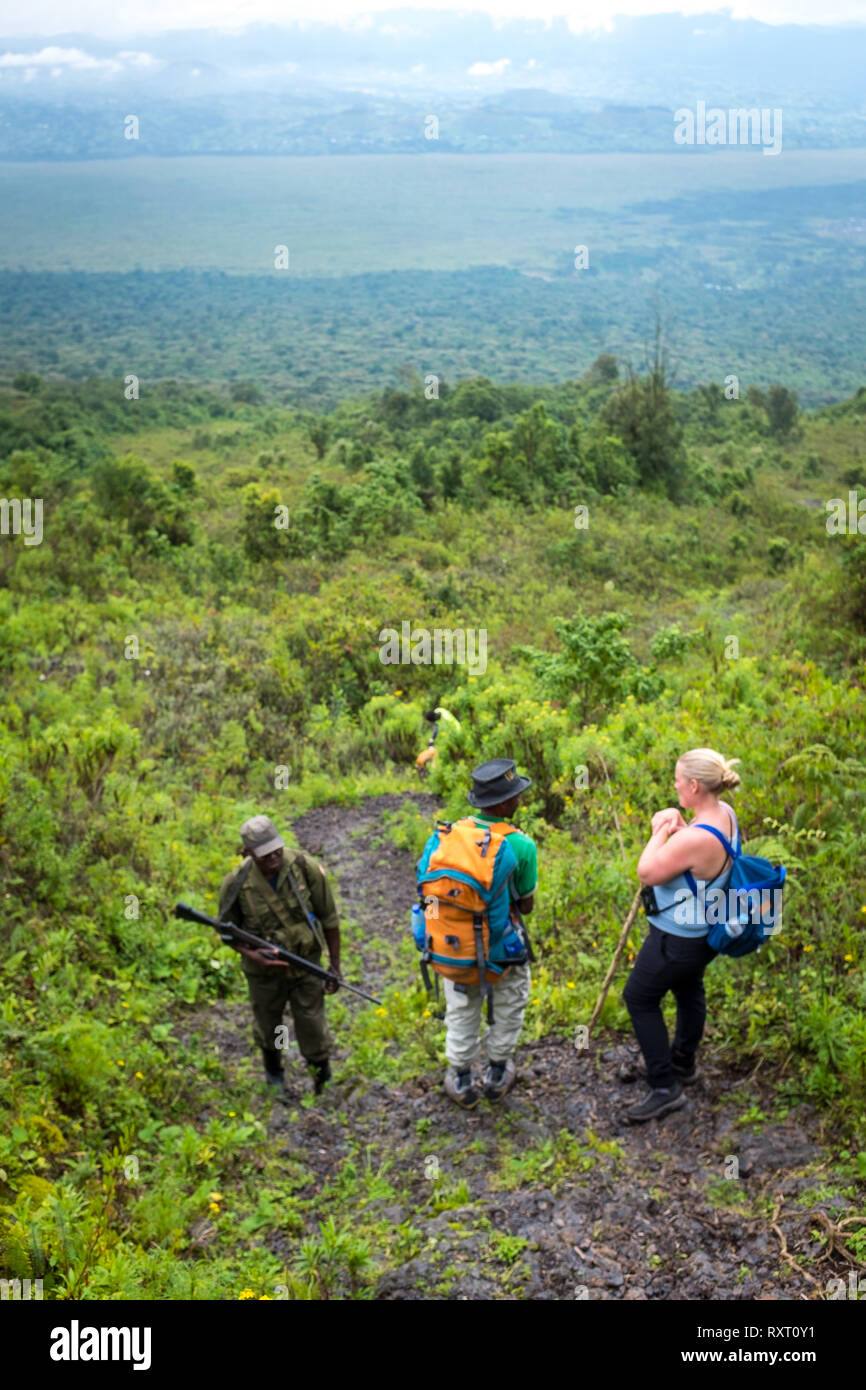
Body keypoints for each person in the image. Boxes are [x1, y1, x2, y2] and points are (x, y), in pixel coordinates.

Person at [622, 748, 741, 1123]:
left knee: (639, 998)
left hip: (677, 937)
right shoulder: (726, 815)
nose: (674, 785)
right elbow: (700, 856)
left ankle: (663, 1087)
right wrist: (680, 827)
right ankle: (683, 1063)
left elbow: (646, 871)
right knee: (690, 990)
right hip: (704, 933)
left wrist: (661, 829)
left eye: (677, 779)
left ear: (693, 785)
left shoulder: (696, 837)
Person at [438, 758, 537, 1109]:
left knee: (462, 1008)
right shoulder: (521, 845)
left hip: (454, 945)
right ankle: (497, 1073)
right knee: (510, 1003)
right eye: (516, 795)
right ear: (506, 803)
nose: (520, 799)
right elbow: (525, 905)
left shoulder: (447, 834)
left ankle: (462, 1079)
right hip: (502, 948)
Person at [218, 815, 342, 1095]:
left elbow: (329, 919)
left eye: (275, 849)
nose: (273, 857)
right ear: (248, 853)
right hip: (263, 972)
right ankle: (274, 1073)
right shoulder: (235, 884)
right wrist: (253, 955)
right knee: (269, 1023)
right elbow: (227, 932)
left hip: (306, 964)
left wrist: (334, 966)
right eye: (263, 855)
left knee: (311, 1022)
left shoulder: (303, 867)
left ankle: (322, 1077)